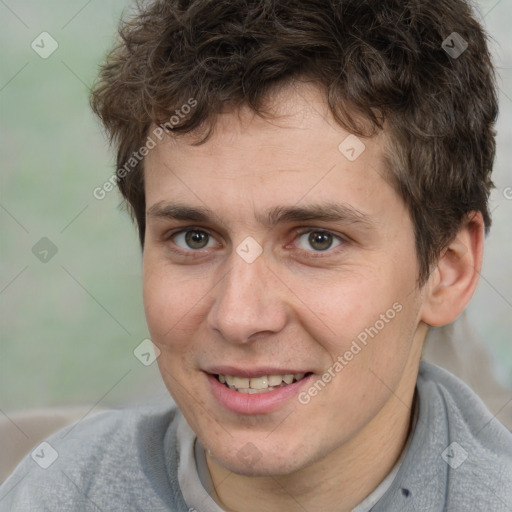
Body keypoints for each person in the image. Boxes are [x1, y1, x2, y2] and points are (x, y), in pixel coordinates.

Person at [1, 0, 511, 510]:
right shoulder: (52, 493)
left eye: (317, 240)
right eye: (193, 238)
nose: (238, 317)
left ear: (447, 271)